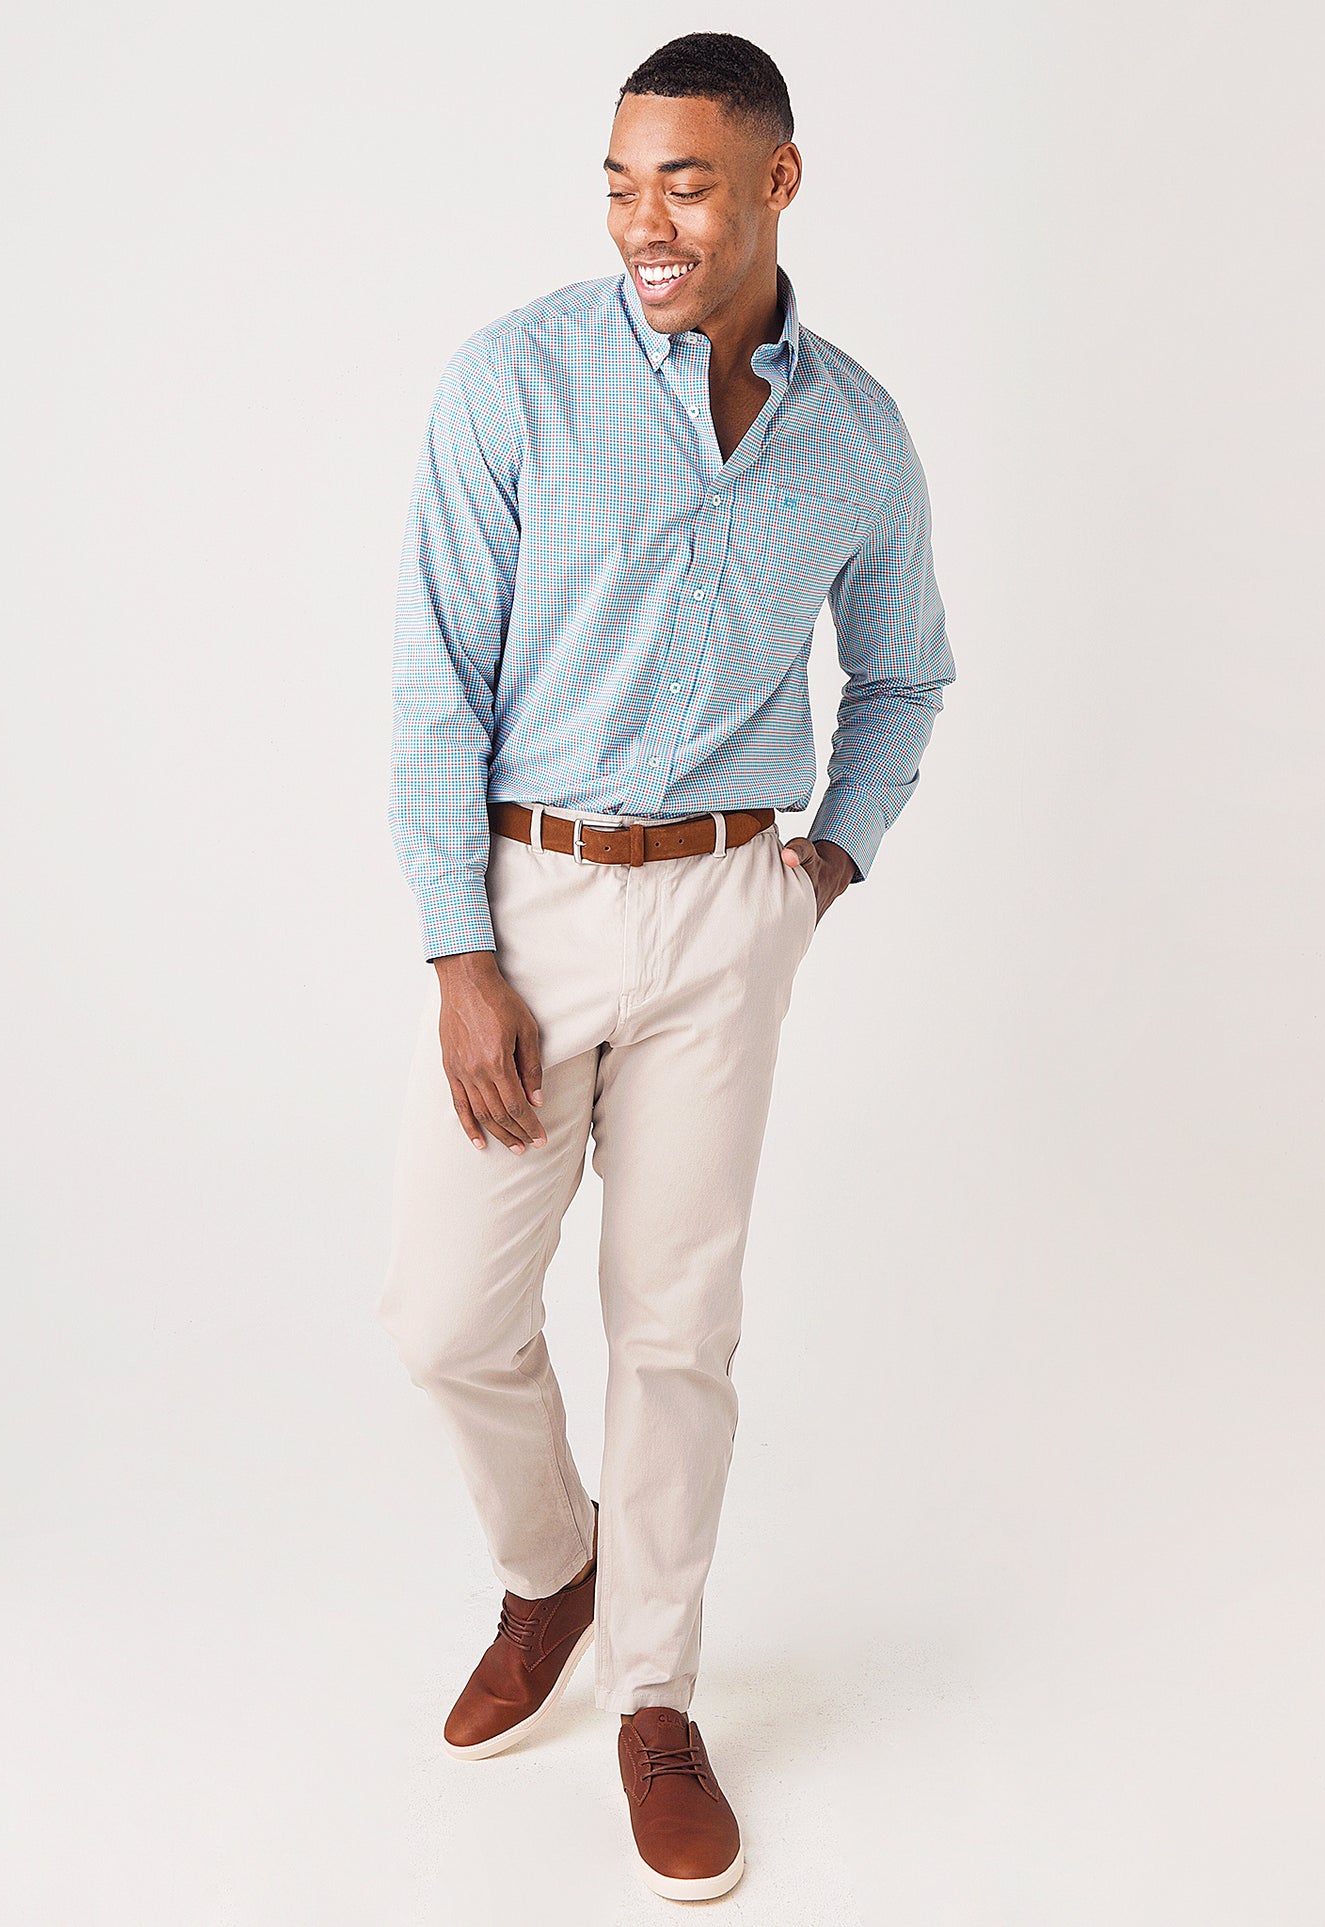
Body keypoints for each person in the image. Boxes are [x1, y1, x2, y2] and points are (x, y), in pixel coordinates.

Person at [379, 29, 954, 1902]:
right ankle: (551, 1569)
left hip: (725, 913)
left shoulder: (854, 433)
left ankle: (653, 1696)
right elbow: (434, 677)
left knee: (675, 1330)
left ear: (775, 182)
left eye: (685, 183)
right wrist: (460, 949)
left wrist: (824, 868)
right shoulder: (514, 380)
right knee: (445, 1319)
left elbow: (904, 673)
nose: (646, 221)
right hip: (528, 906)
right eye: (622, 183)